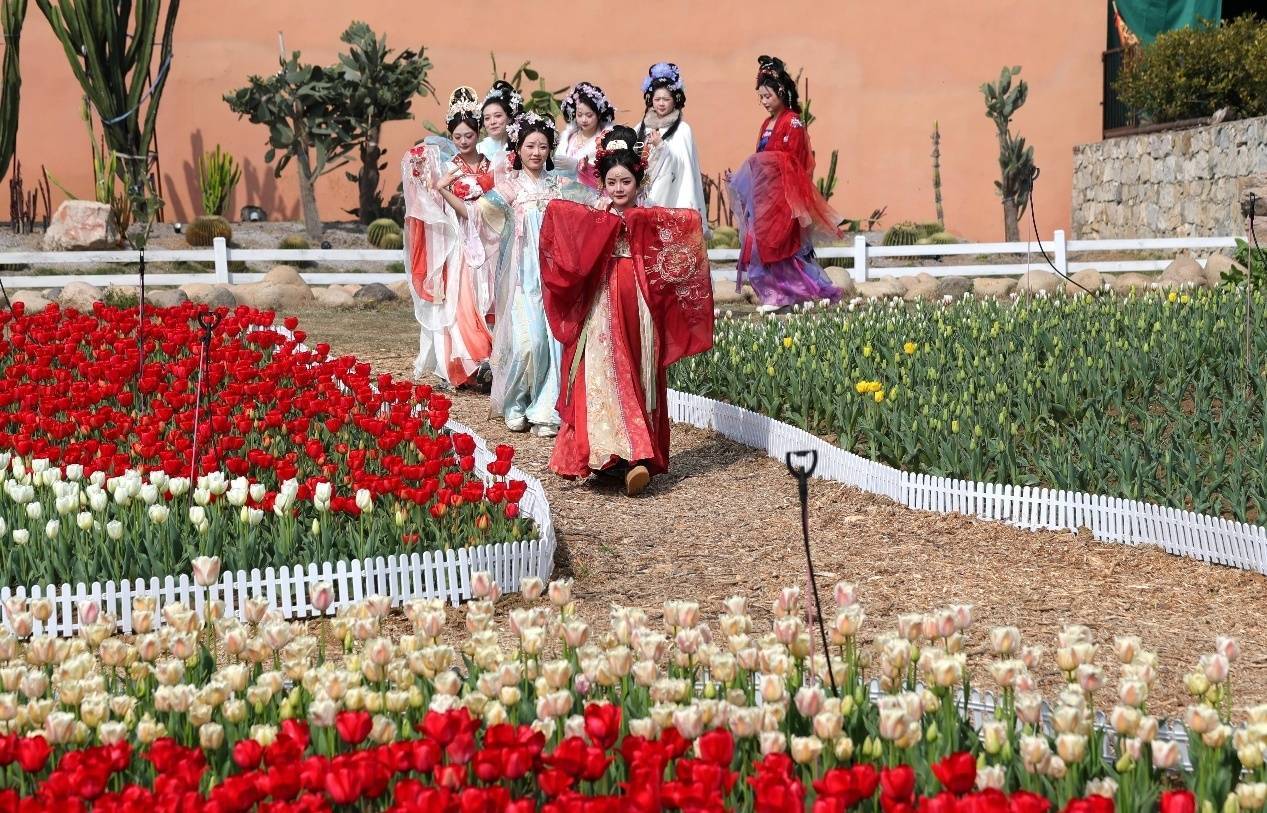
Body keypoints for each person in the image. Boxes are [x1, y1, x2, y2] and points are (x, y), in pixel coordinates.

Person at [539, 126, 714, 496]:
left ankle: (636, 455)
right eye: (612, 182)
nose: (618, 189)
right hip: (601, 299)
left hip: (637, 298)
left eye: (625, 181)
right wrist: (595, 225)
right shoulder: (595, 213)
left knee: (636, 367)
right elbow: (561, 219)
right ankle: (609, 456)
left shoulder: (647, 216)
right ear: (602, 182)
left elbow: (686, 228)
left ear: (638, 181)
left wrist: (638, 224)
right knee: (602, 369)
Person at [479, 112, 594, 437]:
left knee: (551, 341)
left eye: (543, 146)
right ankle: (515, 402)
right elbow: (480, 216)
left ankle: (545, 410)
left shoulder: (559, 186)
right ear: (518, 148)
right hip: (520, 278)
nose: (536, 152)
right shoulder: (509, 188)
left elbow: (591, 204)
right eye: (530, 145)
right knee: (529, 344)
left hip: (553, 276)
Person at [401, 87, 498, 388]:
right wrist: (421, 178)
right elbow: (431, 205)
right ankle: (465, 363)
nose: (464, 141)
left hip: (488, 240)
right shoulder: (446, 168)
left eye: (469, 135)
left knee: (489, 298)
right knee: (461, 301)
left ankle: (492, 360)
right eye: (458, 137)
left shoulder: (492, 165)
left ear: (478, 133)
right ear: (451, 137)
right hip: (458, 244)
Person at [729, 55, 843, 312]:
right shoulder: (766, 124)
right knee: (762, 245)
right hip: (765, 196)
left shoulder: (792, 122)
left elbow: (794, 161)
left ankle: (788, 295)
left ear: (781, 92)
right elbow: (762, 159)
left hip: (784, 196)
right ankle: (775, 295)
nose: (763, 101)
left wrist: (765, 162)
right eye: (760, 97)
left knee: (780, 245)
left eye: (767, 96)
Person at [635, 62, 707, 228]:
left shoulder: (682, 130)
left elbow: (683, 169)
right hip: (642, 196)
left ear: (675, 100)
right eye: (657, 99)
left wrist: (661, 147)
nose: (661, 103)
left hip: (671, 196)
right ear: (650, 100)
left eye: (666, 99)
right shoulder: (640, 127)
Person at [554, 81, 614, 190]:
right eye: (579, 115)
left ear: (599, 114)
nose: (584, 120)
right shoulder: (569, 138)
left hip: (589, 193)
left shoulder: (606, 141)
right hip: (561, 191)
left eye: (589, 115)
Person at [478, 80, 523, 168]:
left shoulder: (523, 148)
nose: (492, 122)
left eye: (498, 116)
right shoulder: (479, 149)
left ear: (510, 117)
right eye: (487, 118)